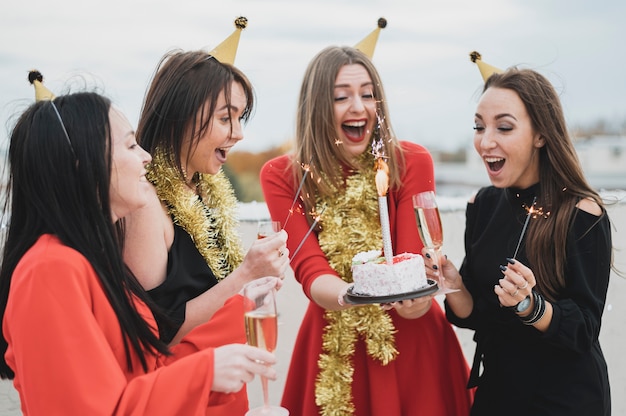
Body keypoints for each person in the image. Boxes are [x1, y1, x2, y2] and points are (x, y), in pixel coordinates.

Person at [0, 76, 280, 414]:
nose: (145, 157)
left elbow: (145, 369)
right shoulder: (48, 269)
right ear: (83, 164)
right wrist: (206, 371)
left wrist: (241, 310)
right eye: (131, 145)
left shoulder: (91, 261)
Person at [260, 45, 473, 415]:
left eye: (368, 94)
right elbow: (309, 269)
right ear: (316, 107)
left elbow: (409, 261)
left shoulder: (411, 161)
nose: (358, 107)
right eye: (341, 96)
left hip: (413, 343)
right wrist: (353, 295)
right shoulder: (283, 177)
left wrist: (417, 301)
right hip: (333, 341)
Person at [425, 56, 612, 415]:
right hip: (497, 392)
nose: (485, 142)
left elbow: (584, 330)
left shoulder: (582, 212)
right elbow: (477, 314)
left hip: (563, 399)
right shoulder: (482, 203)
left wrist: (530, 304)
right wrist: (453, 285)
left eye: (504, 128)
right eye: (479, 127)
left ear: (541, 134)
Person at [123, 41, 289, 344]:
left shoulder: (202, 191)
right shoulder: (144, 202)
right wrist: (245, 275)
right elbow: (155, 334)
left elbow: (213, 298)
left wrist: (255, 284)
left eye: (240, 118)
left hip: (223, 376)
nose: (238, 133)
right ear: (181, 116)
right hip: (182, 383)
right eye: (226, 118)